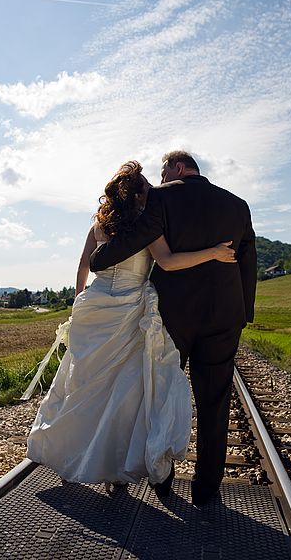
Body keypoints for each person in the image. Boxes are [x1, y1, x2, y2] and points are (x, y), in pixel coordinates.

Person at [26, 160, 237, 492]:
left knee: (81, 385)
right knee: (121, 393)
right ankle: (113, 467)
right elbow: (168, 262)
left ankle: (68, 454)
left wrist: (79, 304)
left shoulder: (99, 227)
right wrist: (212, 252)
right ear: (140, 195)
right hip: (127, 312)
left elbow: (84, 265)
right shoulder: (148, 227)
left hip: (95, 309)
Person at [90, 151, 257, 507]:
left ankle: (161, 477)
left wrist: (99, 258)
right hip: (224, 317)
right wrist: (244, 313)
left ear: (178, 167)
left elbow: (139, 238)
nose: (161, 177)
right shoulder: (238, 205)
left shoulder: (162, 198)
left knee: (161, 394)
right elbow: (247, 263)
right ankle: (207, 489)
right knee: (215, 401)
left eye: (164, 170)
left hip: (174, 316)